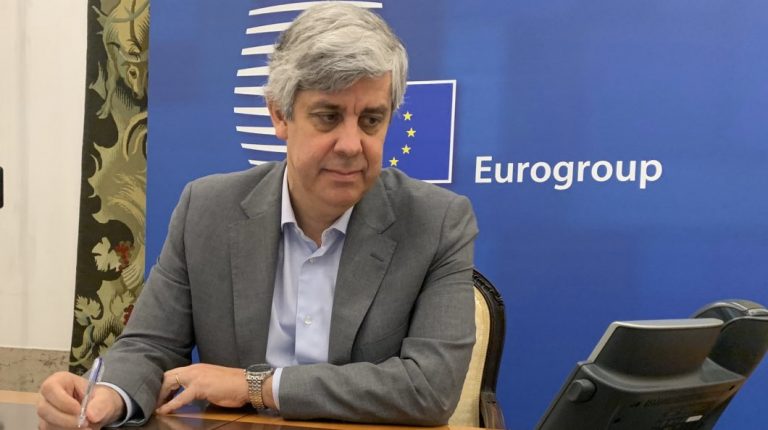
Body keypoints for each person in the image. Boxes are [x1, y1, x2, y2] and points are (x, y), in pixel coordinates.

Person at [37, 3, 478, 429]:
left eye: (371, 121)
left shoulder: (437, 222)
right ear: (279, 115)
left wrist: (257, 386)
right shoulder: (206, 209)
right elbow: (150, 346)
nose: (350, 145)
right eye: (328, 117)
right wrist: (108, 397)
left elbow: (429, 387)